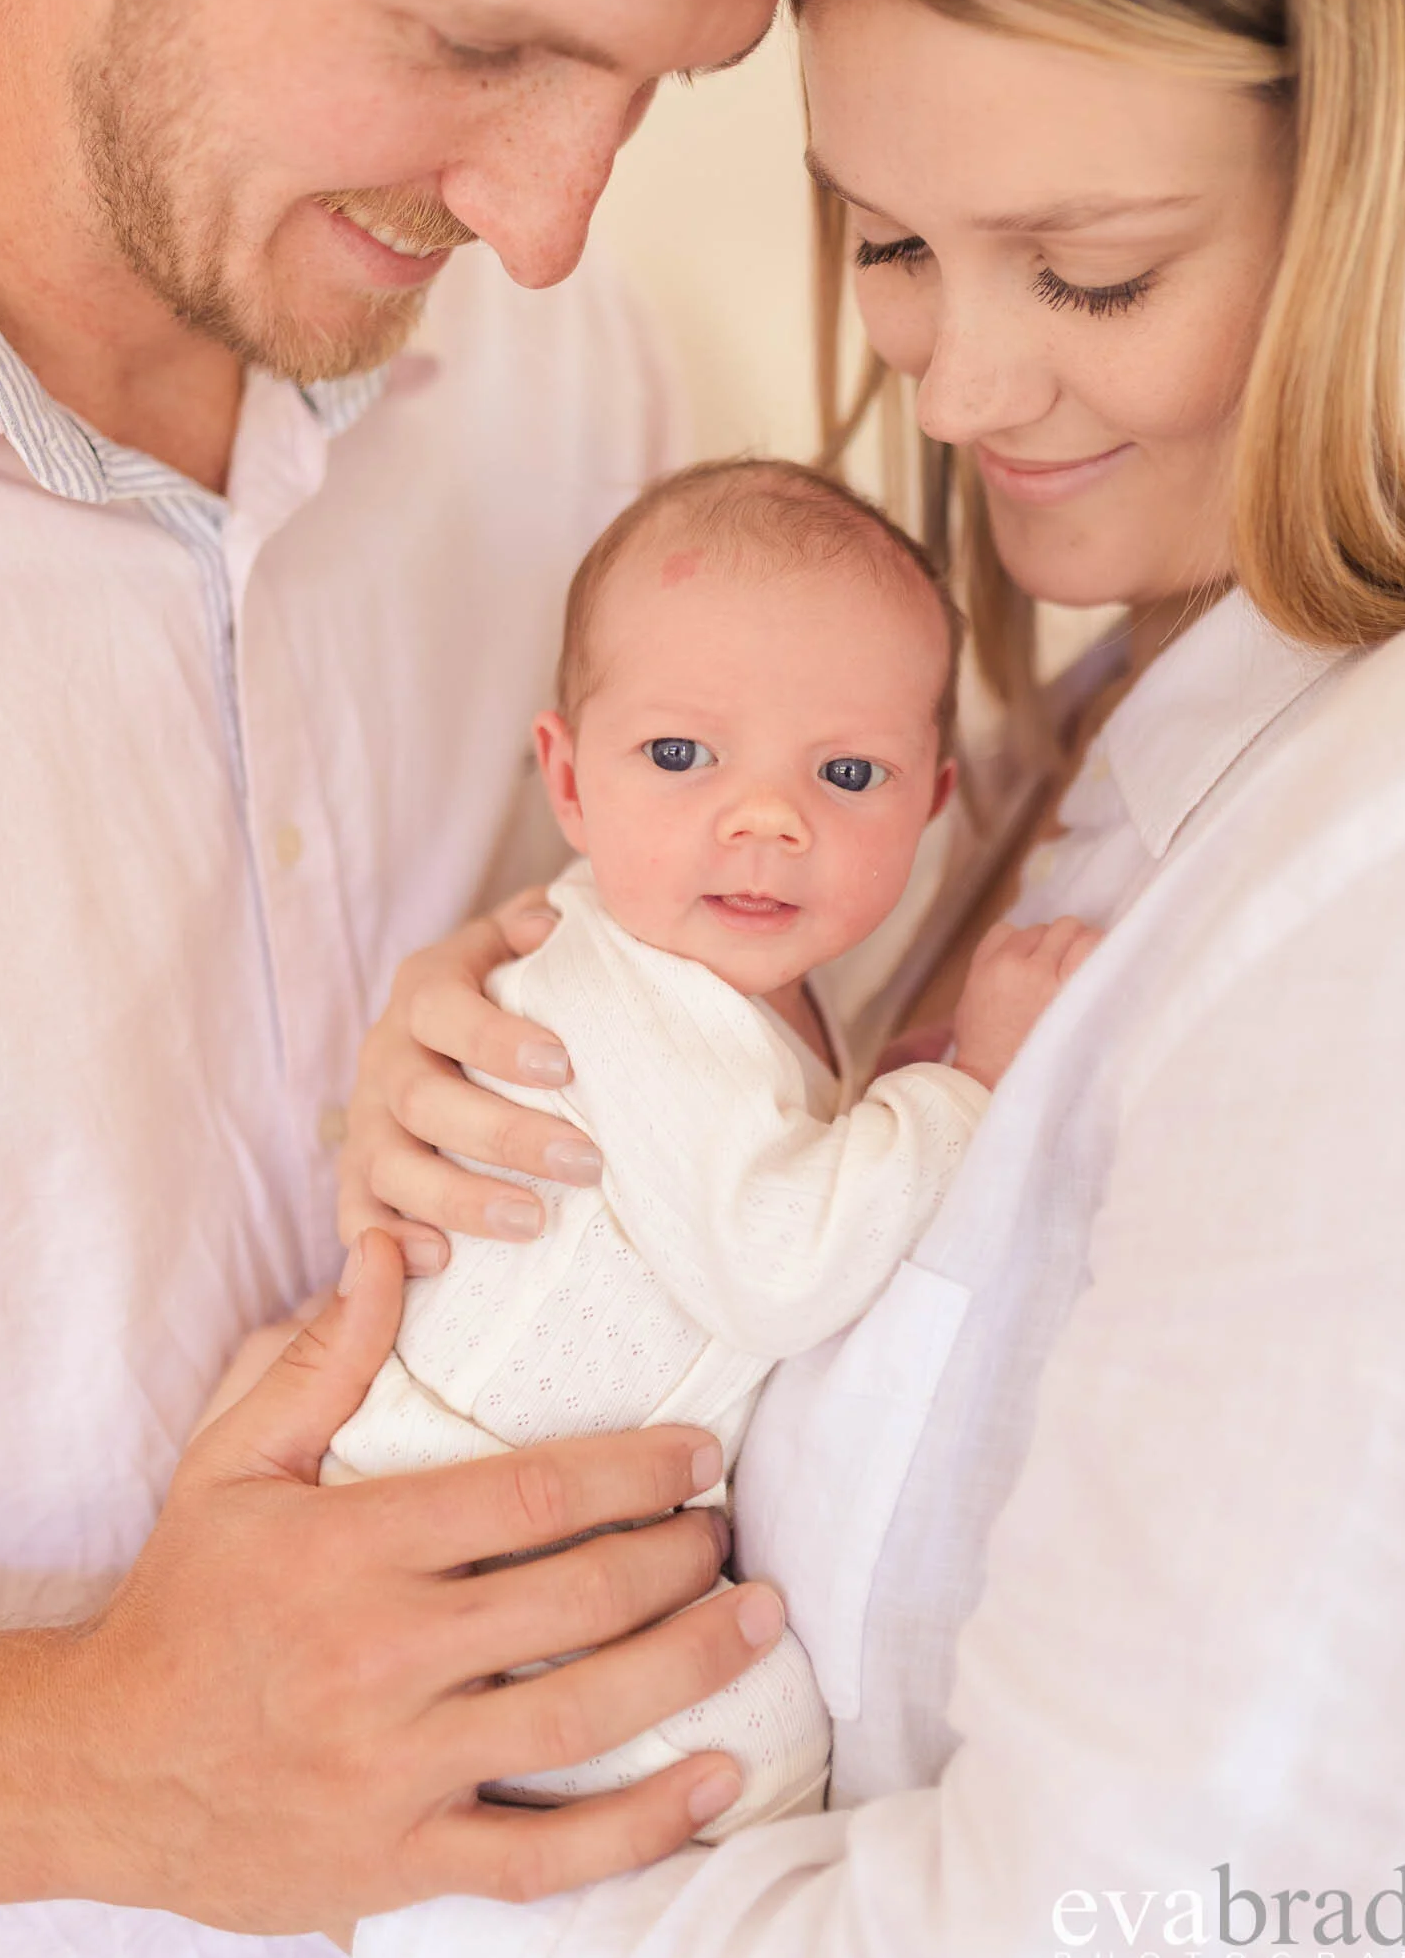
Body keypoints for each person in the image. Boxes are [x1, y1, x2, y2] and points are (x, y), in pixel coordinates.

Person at [338, 0, 1405, 1958]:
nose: (952, 385)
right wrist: (575, 1090)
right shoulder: (1064, 756)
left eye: (1091, 266)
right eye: (890, 243)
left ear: (1387, 163)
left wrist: (397, 1894)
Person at [0, 0, 990, 1958]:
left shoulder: (589, 415)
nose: (545, 224)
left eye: (649, 85)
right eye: (477, 41)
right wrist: (74, 1761)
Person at [324, 456, 1092, 1836]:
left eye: (844, 773)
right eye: (679, 757)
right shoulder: (623, 996)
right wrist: (970, 1087)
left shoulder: (710, 971)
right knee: (762, 1761)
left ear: (927, 806)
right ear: (566, 775)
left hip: (527, 1553)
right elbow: (779, 1269)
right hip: (474, 1574)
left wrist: (885, 1110)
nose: (765, 819)